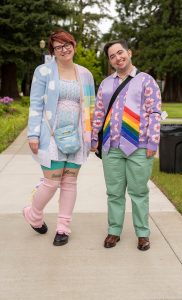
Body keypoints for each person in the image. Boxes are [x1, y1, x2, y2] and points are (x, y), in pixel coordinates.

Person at [23, 29, 95, 246]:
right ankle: (34, 213)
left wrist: (92, 137)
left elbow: (90, 107)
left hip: (77, 137)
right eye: (58, 47)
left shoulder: (85, 74)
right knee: (51, 182)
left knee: (70, 181)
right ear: (53, 51)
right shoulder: (43, 72)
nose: (64, 50)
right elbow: (36, 103)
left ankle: (63, 226)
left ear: (73, 45)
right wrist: (33, 134)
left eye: (67, 44)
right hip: (51, 136)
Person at [91, 39, 161, 251]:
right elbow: (99, 113)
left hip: (139, 147)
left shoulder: (146, 81)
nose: (118, 58)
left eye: (120, 53)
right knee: (114, 192)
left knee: (139, 192)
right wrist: (94, 138)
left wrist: (152, 142)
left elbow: (155, 112)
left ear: (129, 53)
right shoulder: (105, 84)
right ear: (110, 62)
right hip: (111, 147)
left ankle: (142, 233)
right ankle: (114, 231)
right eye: (112, 56)